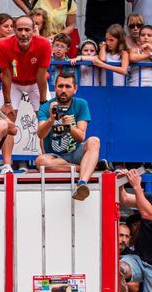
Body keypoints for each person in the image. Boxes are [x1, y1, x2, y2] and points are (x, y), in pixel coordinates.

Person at [0, 16, 51, 174]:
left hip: (36, 83)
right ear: (13, 30)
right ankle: (7, 164)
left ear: (34, 30)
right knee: (8, 121)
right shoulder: (4, 45)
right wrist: (7, 103)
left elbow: (41, 77)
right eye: (19, 29)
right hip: (14, 82)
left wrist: (43, 102)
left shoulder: (44, 44)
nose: (23, 33)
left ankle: (46, 161)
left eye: (27, 29)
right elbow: (6, 76)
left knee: (43, 120)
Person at [35, 72, 100, 201]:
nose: (63, 90)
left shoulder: (81, 104)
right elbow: (40, 134)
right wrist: (51, 119)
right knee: (40, 161)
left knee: (94, 141)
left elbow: (81, 137)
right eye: (60, 86)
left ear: (75, 89)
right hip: (55, 157)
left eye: (68, 86)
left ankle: (82, 183)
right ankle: (86, 168)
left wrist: (69, 127)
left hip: (75, 152)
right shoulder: (45, 107)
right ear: (55, 88)